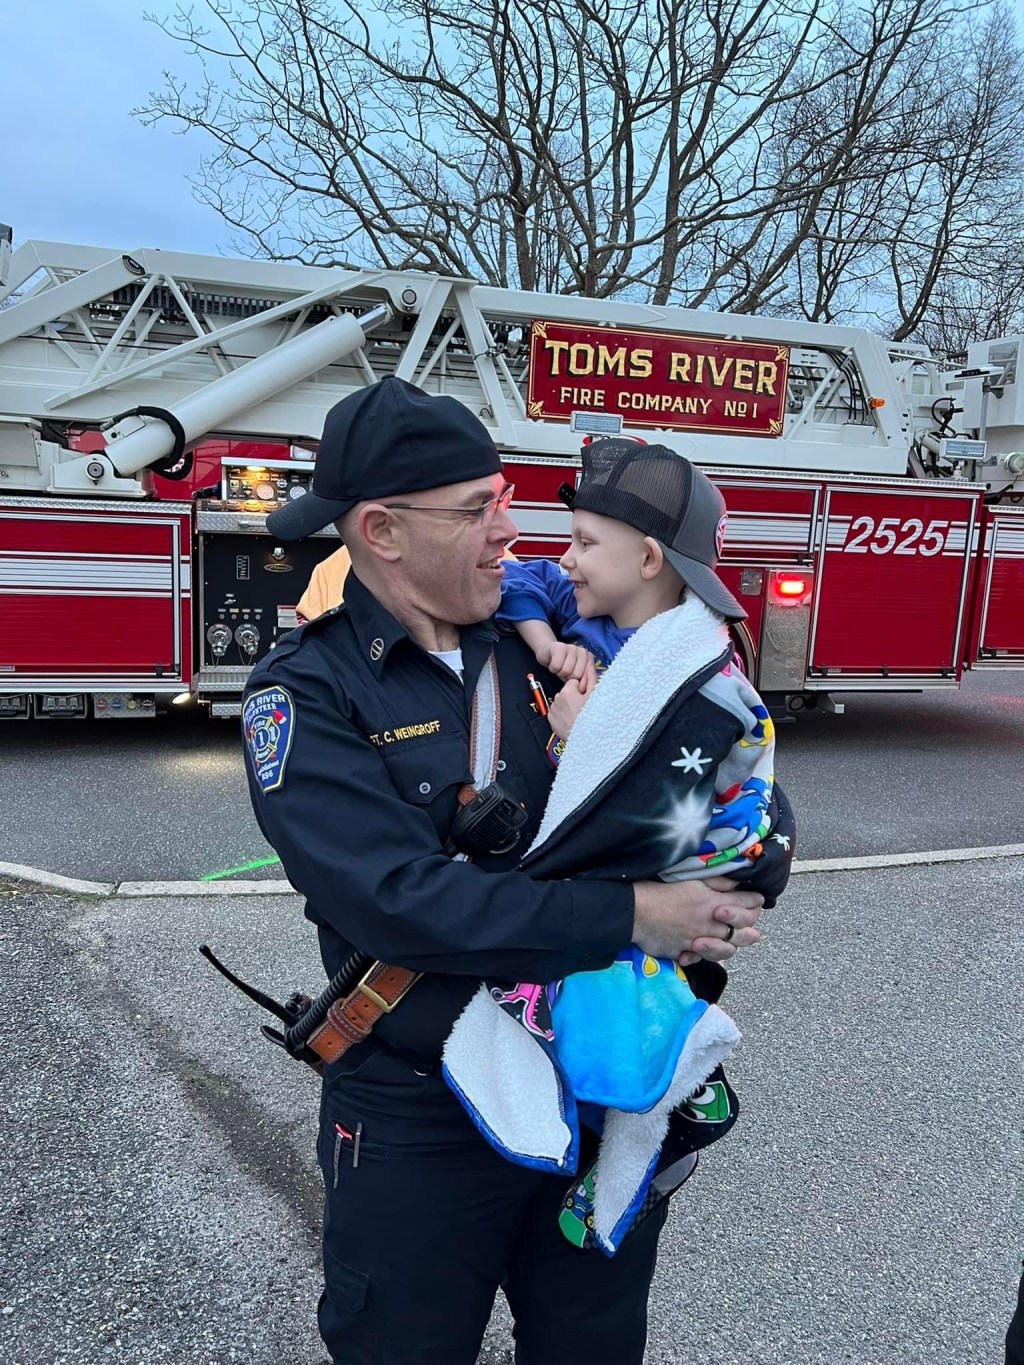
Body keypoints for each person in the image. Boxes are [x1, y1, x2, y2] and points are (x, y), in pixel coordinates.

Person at [241, 376, 767, 1365]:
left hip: (593, 1087)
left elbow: (719, 764)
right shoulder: (307, 691)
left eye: (505, 498)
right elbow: (400, 903)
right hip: (420, 1115)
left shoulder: (554, 640)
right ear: (382, 531)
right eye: (476, 508)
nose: (509, 528)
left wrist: (745, 863)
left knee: (593, 1344)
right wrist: (634, 914)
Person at [443, 439, 794, 1254]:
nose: (564, 558)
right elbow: (523, 582)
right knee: (598, 998)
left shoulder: (689, 679)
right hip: (674, 887)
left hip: (688, 879)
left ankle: (673, 1095)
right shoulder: (615, 631)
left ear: (646, 559)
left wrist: (579, 733)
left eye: (584, 542)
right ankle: (651, 1104)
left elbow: (638, 819)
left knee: (600, 1001)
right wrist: (548, 647)